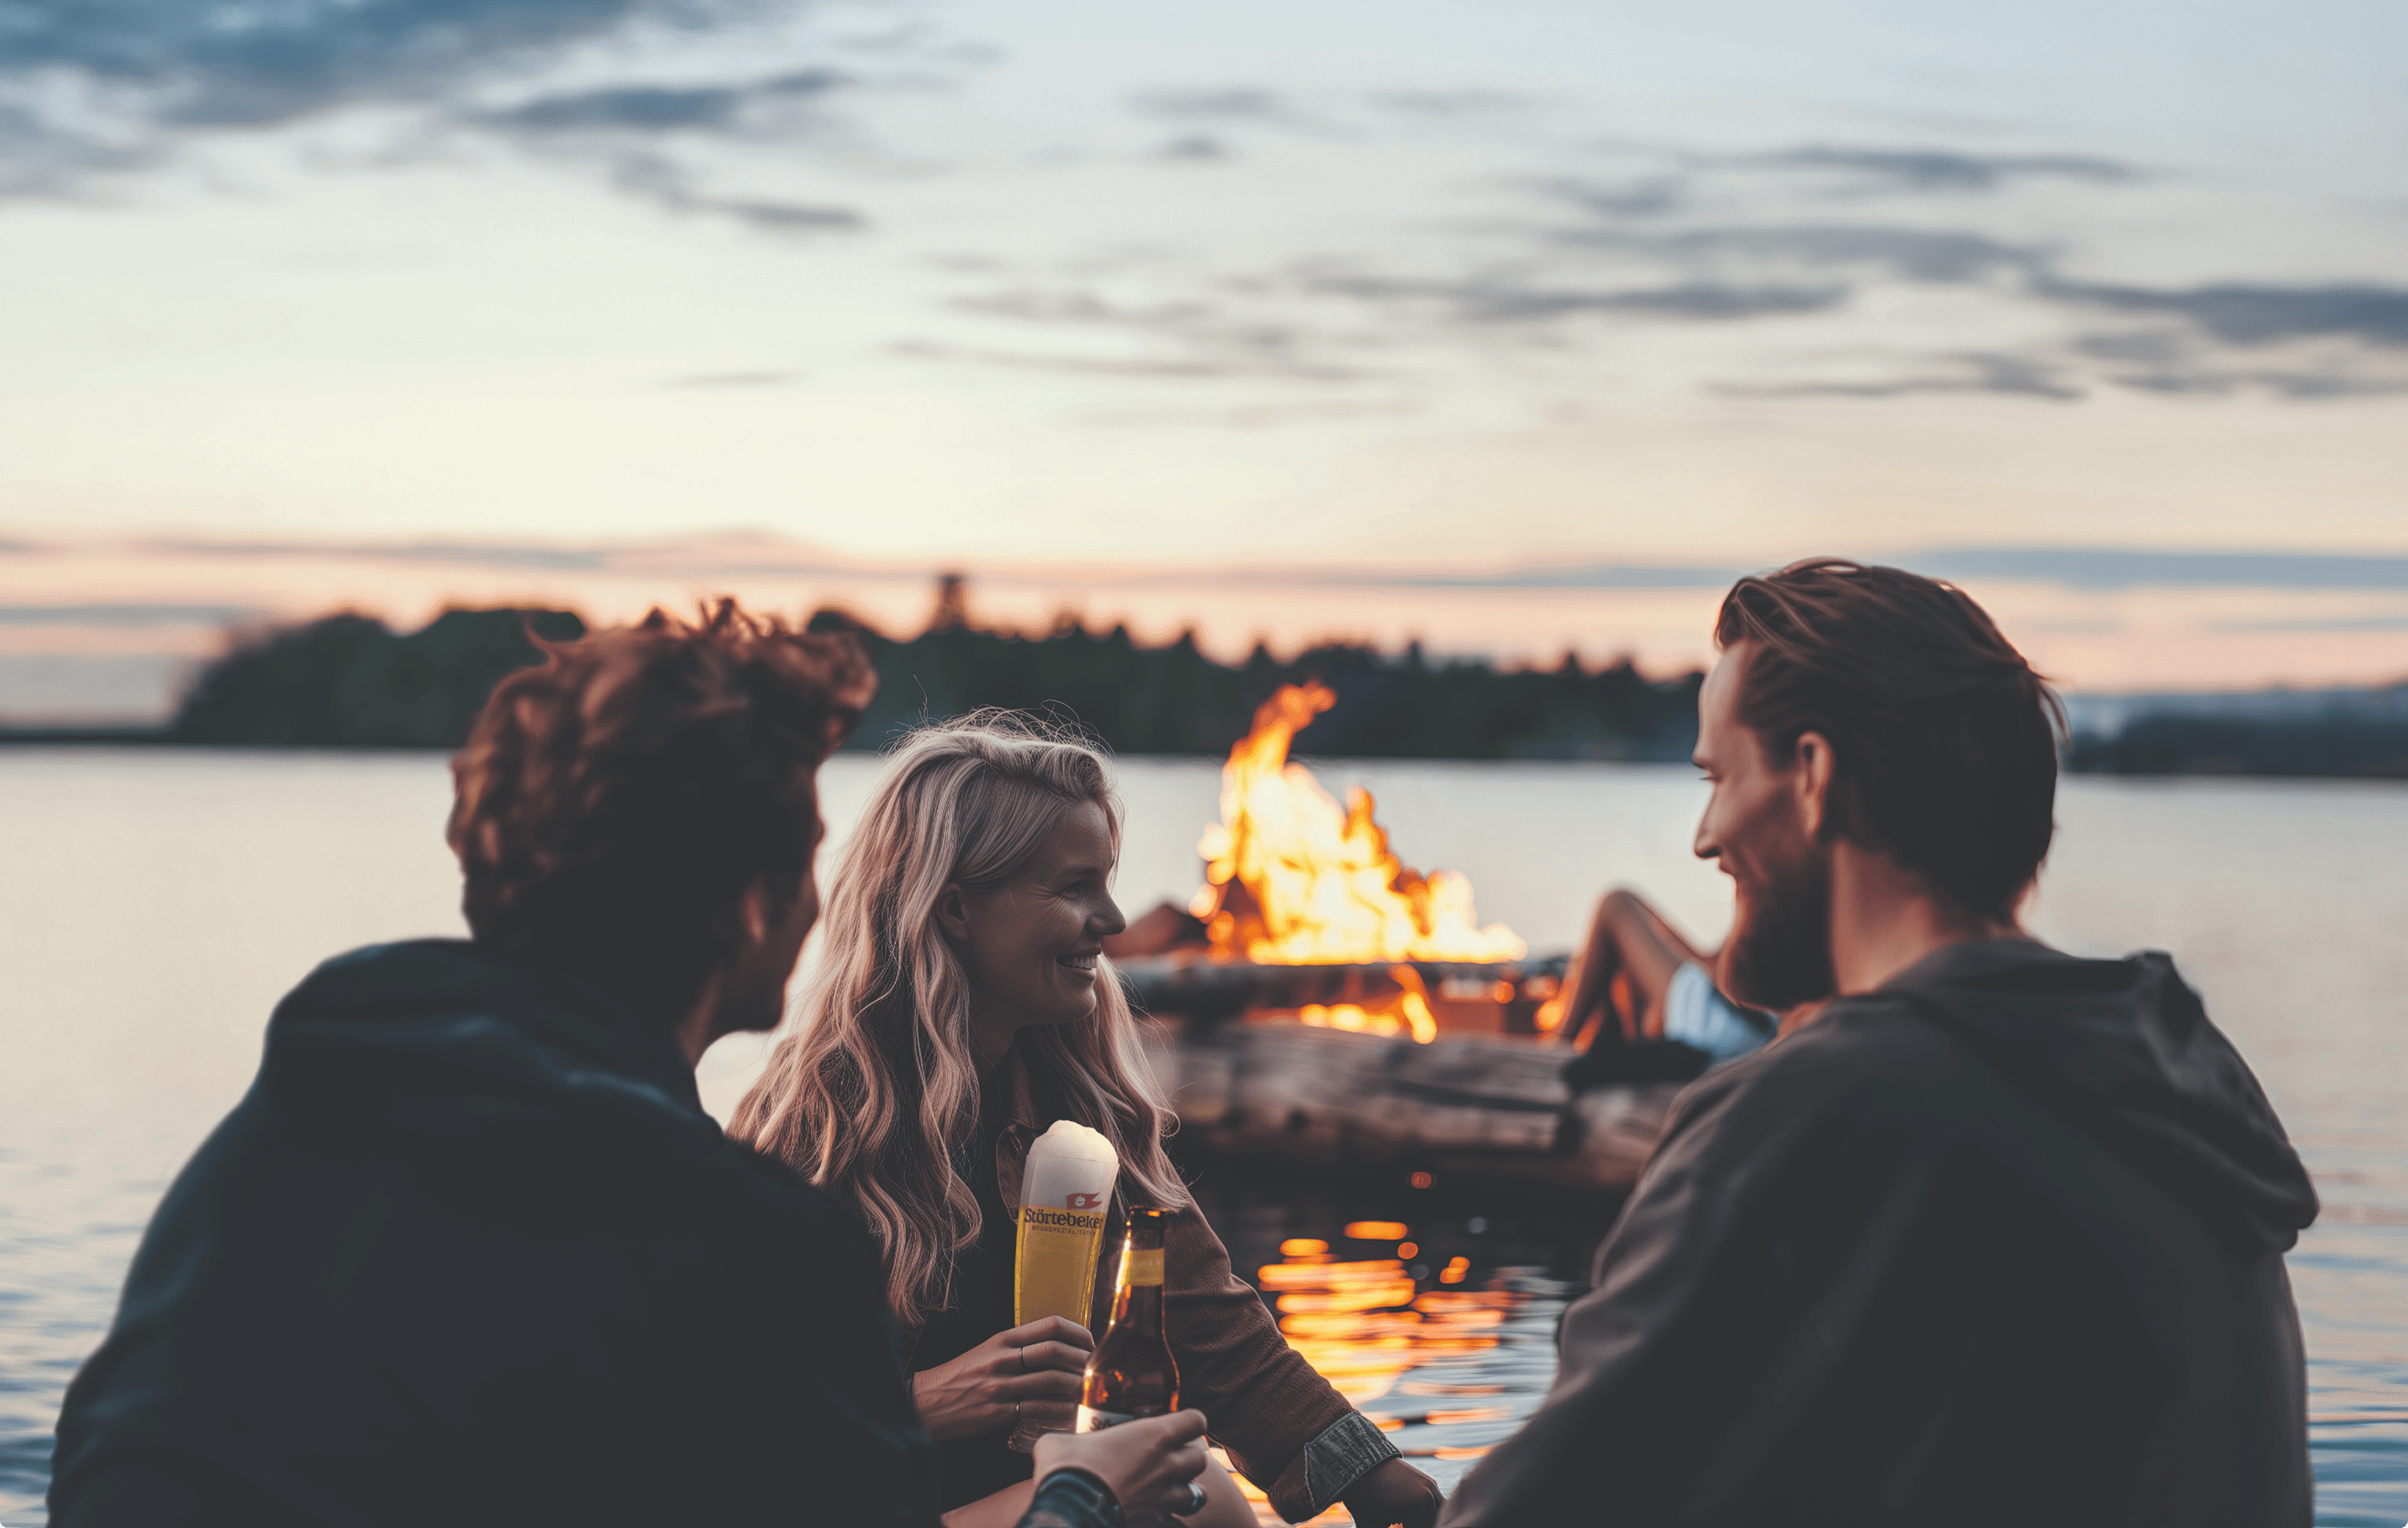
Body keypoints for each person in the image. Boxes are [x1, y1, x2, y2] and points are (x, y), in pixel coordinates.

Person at [50, 604, 1210, 1528]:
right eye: (807, 858)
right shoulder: (726, 1229)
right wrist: (1080, 1494)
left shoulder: (285, 1126)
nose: (821, 901)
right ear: (753, 905)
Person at [1442, 560, 2320, 1528]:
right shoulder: (2190, 1090)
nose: (1705, 836)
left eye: (1721, 776)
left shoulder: (1801, 1118)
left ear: (1812, 779)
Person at [730, 717, 1445, 1528]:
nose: (1113, 920)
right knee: (1192, 1496)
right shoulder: (814, 1128)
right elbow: (728, 1429)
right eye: (1074, 888)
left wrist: (1372, 1470)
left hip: (1029, 1502)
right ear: (957, 908)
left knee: (1184, 1478)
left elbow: (1209, 1322)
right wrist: (919, 1403)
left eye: (1106, 882)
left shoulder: (1073, 1098)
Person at [1553, 888, 1773, 1085]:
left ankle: (1557, 1048)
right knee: (1630, 903)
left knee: (1616, 904)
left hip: (1723, 1028)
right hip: (1736, 1024)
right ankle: (1592, 1049)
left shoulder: (1775, 888)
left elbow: (1732, 973)